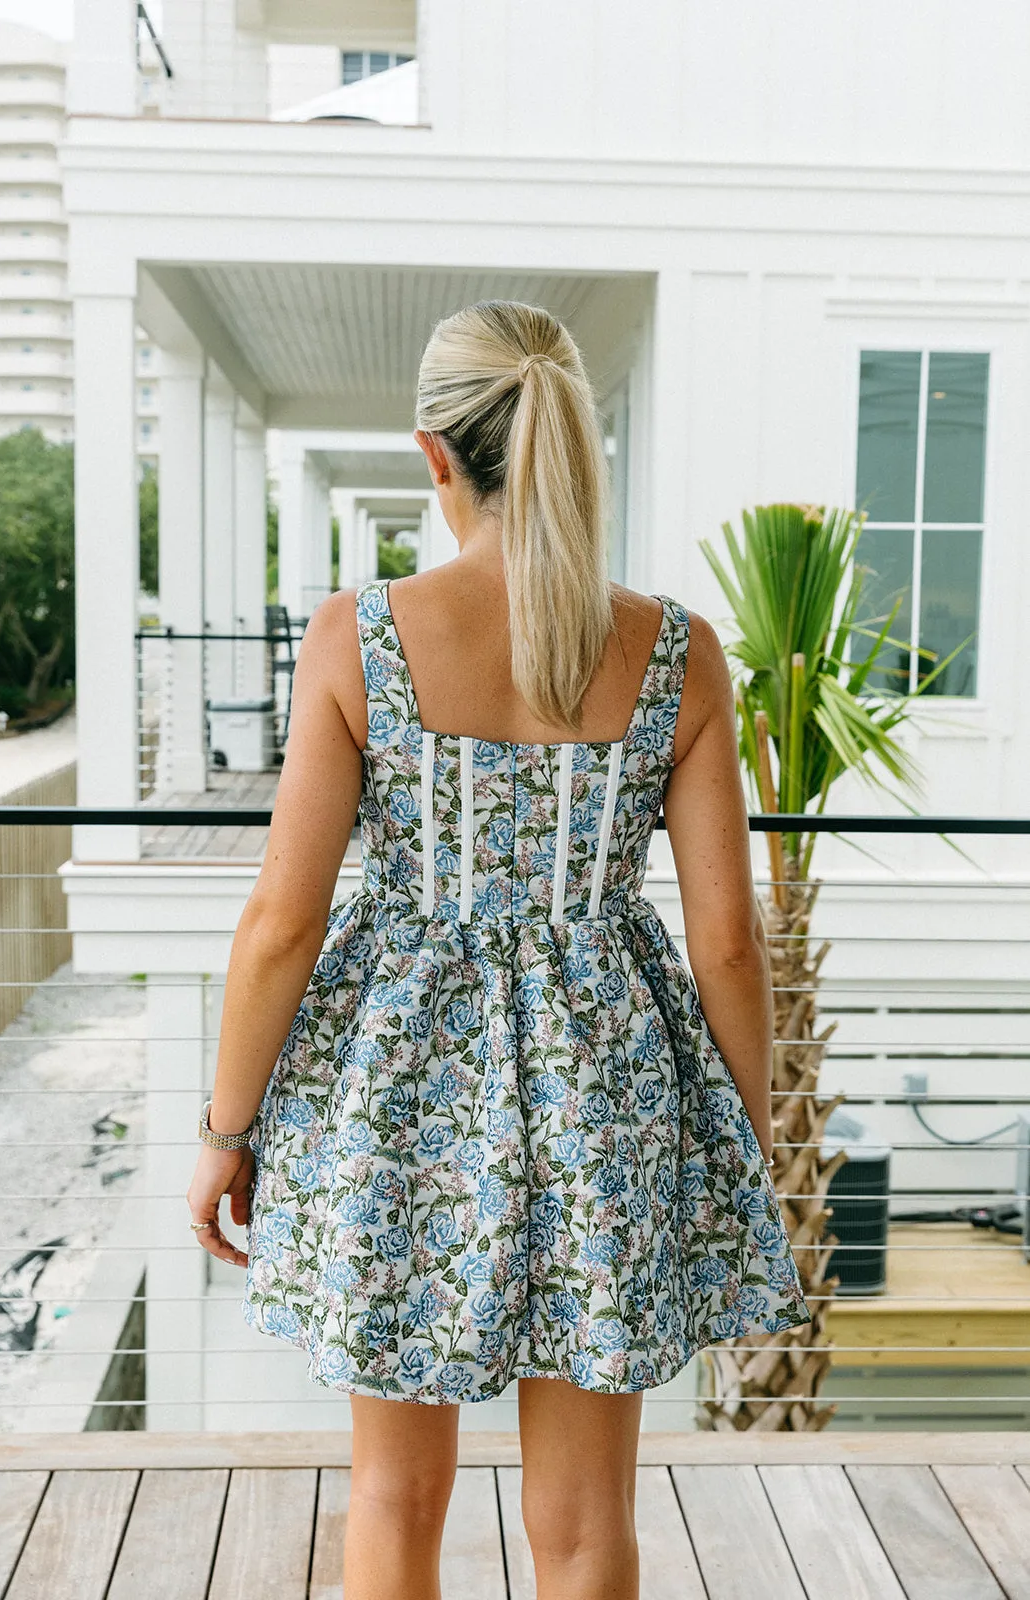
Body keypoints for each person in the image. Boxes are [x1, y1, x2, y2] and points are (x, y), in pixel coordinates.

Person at [186, 300, 809, 1599]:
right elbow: (726, 947)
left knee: (394, 1499)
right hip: (612, 1104)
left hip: (404, 1105)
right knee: (586, 1523)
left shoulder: (361, 635)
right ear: (574, 443)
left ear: (434, 454)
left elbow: (281, 922)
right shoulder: (678, 653)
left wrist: (225, 1128)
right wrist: (736, 1145)